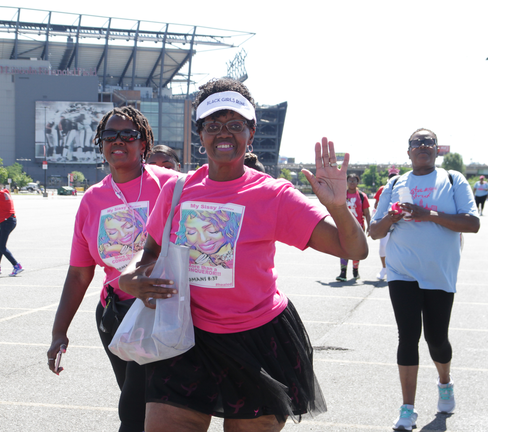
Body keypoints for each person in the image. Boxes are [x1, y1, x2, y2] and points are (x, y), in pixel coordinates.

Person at [118, 77, 368, 432]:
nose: (224, 133)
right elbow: (148, 253)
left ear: (251, 133)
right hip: (185, 338)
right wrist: (131, 277)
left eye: (235, 124)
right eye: (213, 125)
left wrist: (339, 208)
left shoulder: (274, 195)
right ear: (200, 134)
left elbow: (354, 249)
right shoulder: (177, 190)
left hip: (257, 343)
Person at [47, 106, 180, 432]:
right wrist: (58, 331)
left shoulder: (172, 185)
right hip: (114, 315)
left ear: (143, 143)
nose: (118, 141)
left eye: (128, 135)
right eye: (110, 135)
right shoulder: (93, 199)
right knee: (140, 403)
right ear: (100, 142)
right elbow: (80, 272)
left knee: (137, 411)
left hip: (160, 313)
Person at [369, 128, 479, 431]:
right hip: (402, 272)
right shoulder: (394, 183)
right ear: (408, 152)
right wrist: (392, 216)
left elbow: (472, 223)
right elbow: (374, 231)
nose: (423, 146)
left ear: (436, 150)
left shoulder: (453, 179)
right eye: (417, 142)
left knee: (436, 339)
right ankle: (408, 409)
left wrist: (427, 213)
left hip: (439, 274)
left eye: (428, 142)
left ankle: (445, 382)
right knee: (408, 337)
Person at [336, 173, 371, 281]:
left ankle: (355, 271)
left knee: (356, 250)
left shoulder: (362, 196)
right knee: (344, 249)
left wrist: (370, 226)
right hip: (344, 227)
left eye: (354, 180)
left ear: (357, 182)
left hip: (358, 227)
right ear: (346, 182)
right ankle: (343, 273)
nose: (352, 182)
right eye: (350, 180)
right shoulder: (342, 195)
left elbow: (367, 213)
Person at [371, 167, 399, 280]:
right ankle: (384, 268)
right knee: (383, 246)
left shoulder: (403, 188)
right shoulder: (383, 188)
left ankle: (395, 270)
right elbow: (376, 205)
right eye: (391, 177)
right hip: (385, 222)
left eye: (395, 177)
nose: (392, 179)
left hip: (398, 223)